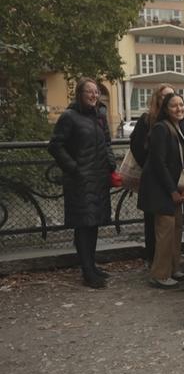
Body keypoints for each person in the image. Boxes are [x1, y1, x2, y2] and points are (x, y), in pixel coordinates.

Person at [48, 78, 117, 289]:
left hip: (98, 178)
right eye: (89, 91)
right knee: (83, 224)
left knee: (94, 223)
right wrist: (74, 168)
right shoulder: (69, 116)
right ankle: (87, 271)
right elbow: (55, 145)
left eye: (96, 91)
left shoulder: (100, 116)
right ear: (80, 94)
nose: (94, 95)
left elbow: (106, 142)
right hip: (79, 180)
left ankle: (92, 266)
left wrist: (111, 162)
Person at [138, 92, 184, 288]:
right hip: (161, 189)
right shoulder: (161, 128)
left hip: (175, 186)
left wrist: (183, 187)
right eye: (174, 105)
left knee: (176, 228)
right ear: (166, 109)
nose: (179, 108)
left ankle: (173, 268)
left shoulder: (178, 127)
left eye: (181, 104)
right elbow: (159, 163)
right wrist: (172, 190)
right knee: (165, 231)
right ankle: (159, 274)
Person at [130, 83, 174, 265]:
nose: (169, 99)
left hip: (170, 177)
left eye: (172, 96)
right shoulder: (147, 119)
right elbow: (136, 146)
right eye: (165, 96)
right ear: (157, 99)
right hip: (153, 178)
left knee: (168, 222)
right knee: (152, 220)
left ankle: (166, 260)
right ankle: (153, 258)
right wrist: (150, 164)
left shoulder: (175, 120)